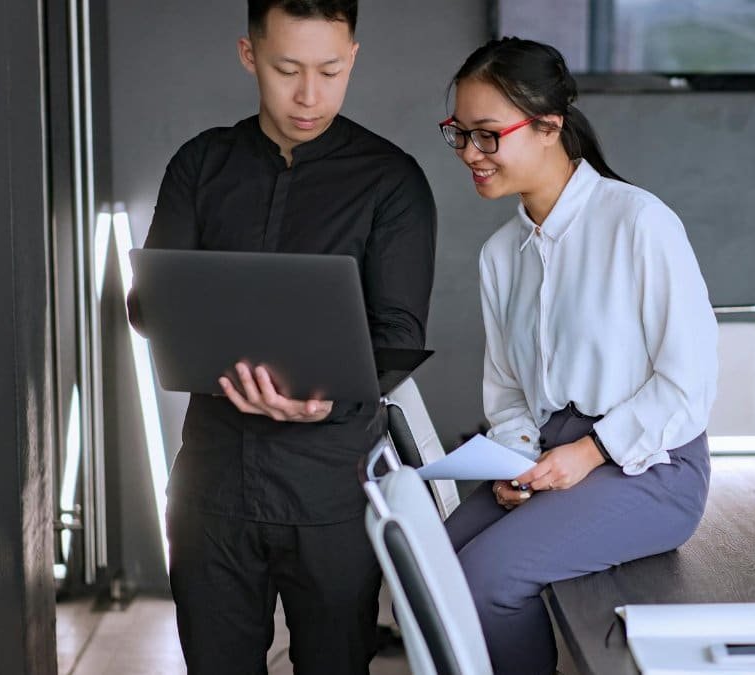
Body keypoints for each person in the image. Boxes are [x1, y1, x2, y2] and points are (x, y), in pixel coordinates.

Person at [136, 2, 436, 673]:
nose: (309, 94)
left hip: (331, 493)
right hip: (210, 488)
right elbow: (146, 304)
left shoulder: (392, 183)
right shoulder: (200, 164)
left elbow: (397, 336)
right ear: (250, 55)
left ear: (352, 57)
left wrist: (325, 402)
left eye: (330, 71)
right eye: (286, 69)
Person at [437, 37, 718, 675]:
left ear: (548, 127)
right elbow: (507, 391)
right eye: (459, 134)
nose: (470, 155)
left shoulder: (640, 223)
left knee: (486, 581)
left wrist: (589, 453)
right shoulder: (500, 255)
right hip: (547, 457)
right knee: (427, 565)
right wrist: (515, 459)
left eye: (487, 135)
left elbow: (689, 384)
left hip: (652, 466)